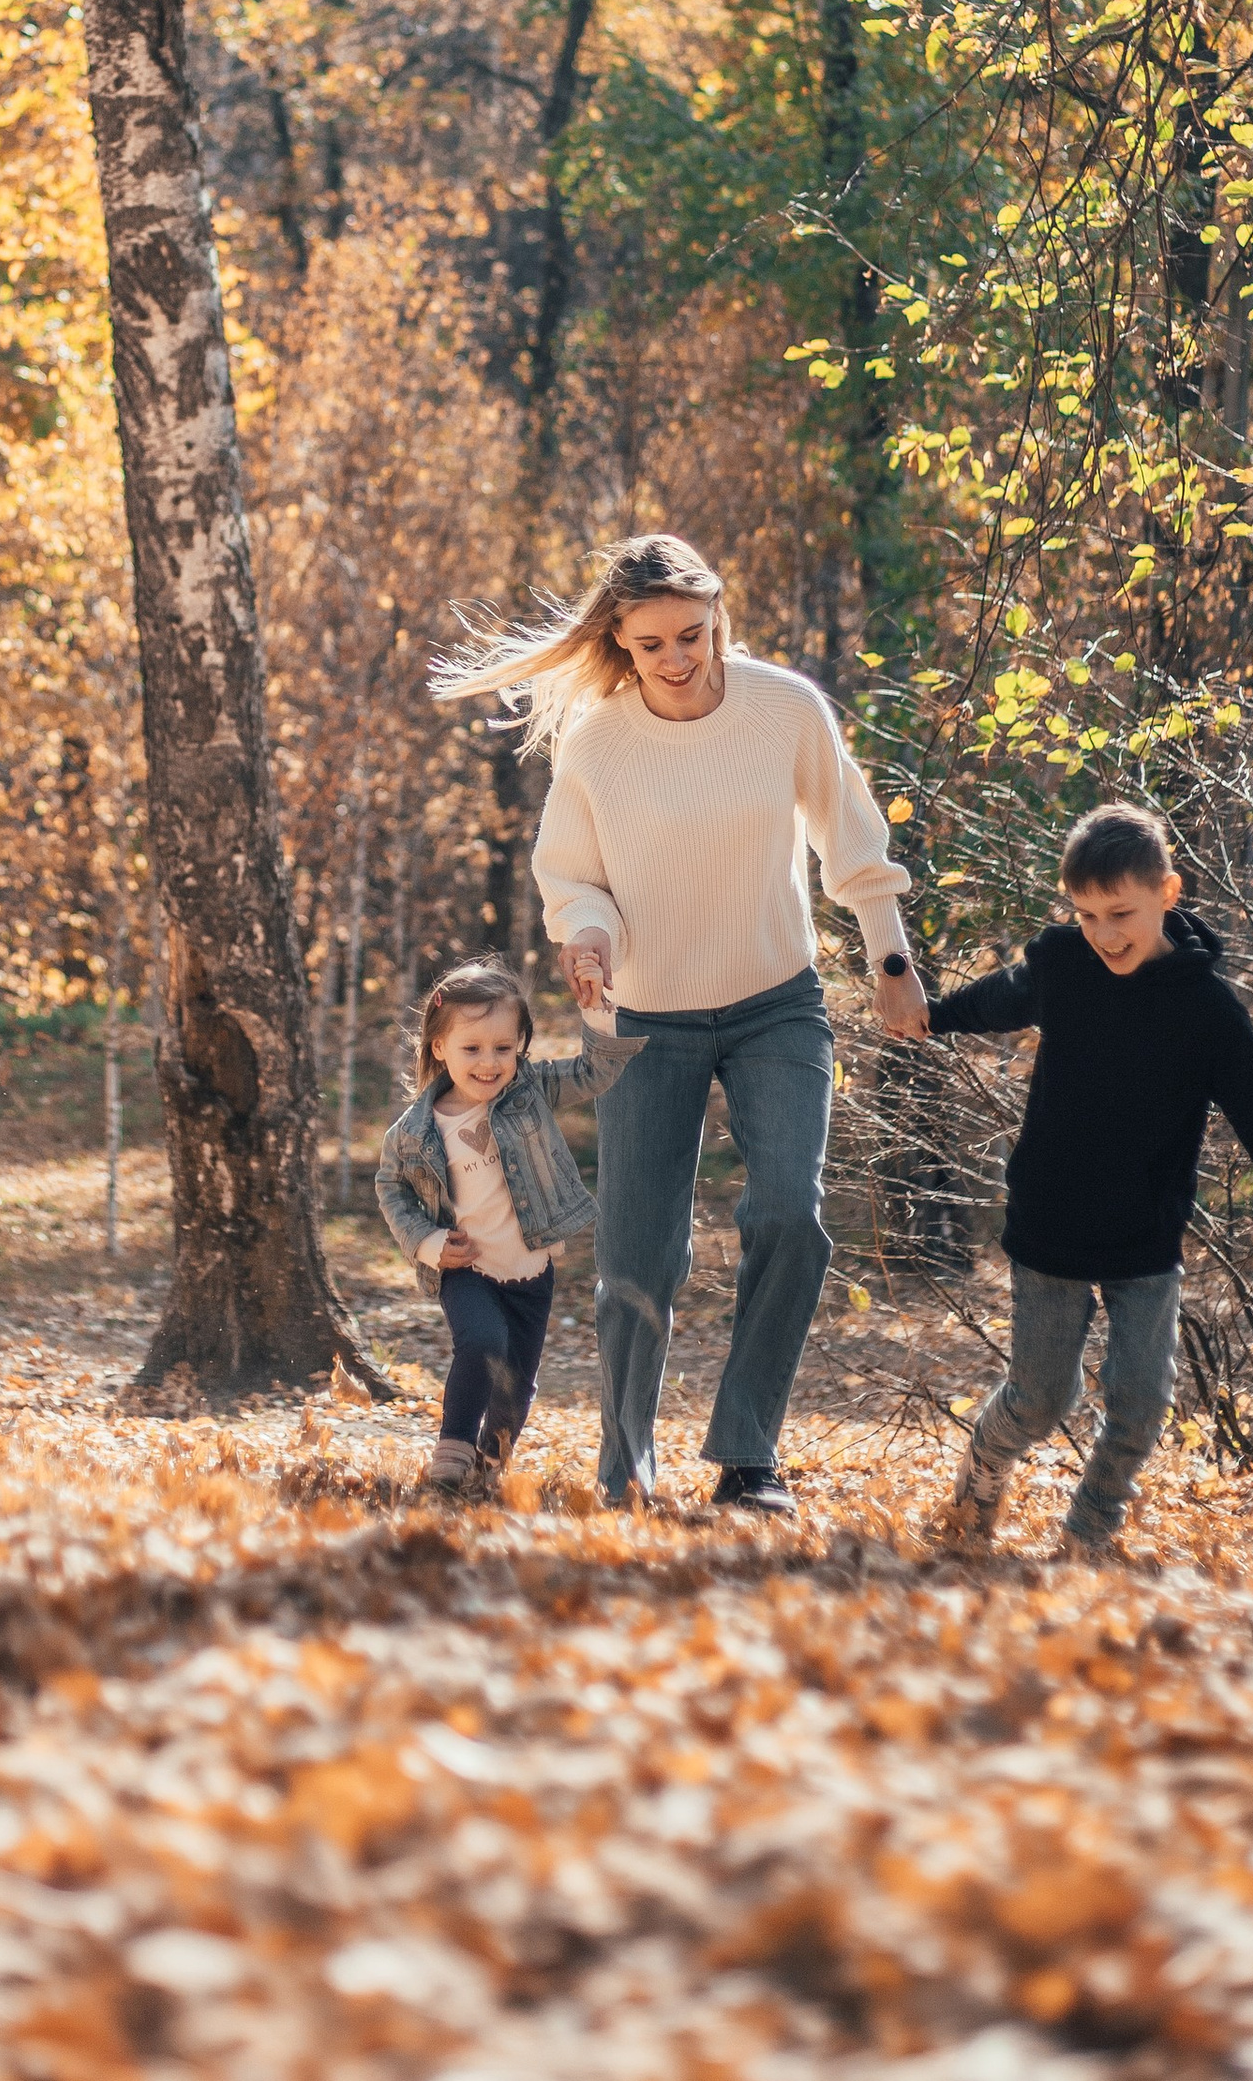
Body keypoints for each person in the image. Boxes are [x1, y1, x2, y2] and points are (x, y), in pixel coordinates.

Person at [434, 534, 923, 1519]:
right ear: (619, 640)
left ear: (716, 618)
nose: (675, 658)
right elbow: (571, 876)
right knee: (637, 1257)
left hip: (776, 1003)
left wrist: (892, 963)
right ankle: (626, 1470)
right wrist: (586, 937)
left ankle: (749, 1457)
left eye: (691, 635)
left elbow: (853, 843)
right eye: (650, 642)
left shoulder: (784, 709)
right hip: (646, 1019)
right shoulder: (599, 743)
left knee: (789, 1216)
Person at [920, 799, 1253, 1557]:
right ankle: (983, 1472)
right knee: (1041, 1400)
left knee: (1140, 1404)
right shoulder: (1064, 965)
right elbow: (998, 999)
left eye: (1121, 913)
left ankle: (1087, 1536)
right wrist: (931, 1015)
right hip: (1051, 1224)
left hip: (1146, 1234)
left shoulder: (1204, 1006)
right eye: (1087, 915)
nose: (1104, 934)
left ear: (1168, 892)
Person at [374, 956, 631, 1491]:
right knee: (482, 1343)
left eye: (503, 1048)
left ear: (520, 1047)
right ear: (439, 1047)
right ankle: (452, 1449)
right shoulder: (414, 1131)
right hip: (466, 1266)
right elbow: (391, 1188)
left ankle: (491, 1465)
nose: (489, 1063)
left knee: (516, 1383)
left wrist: (597, 1012)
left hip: (532, 1270)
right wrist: (427, 1242)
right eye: (471, 1049)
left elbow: (596, 1072)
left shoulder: (531, 1090)